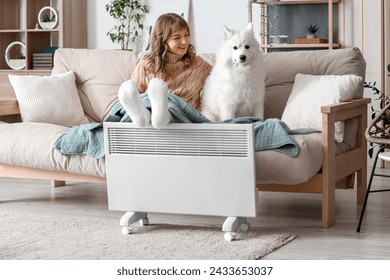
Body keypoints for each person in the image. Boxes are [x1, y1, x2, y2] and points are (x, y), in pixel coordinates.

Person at [118, 13, 212, 128]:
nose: (184, 41)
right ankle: (142, 118)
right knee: (145, 101)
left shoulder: (198, 64)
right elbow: (137, 94)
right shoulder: (146, 65)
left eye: (186, 35)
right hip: (150, 124)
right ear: (163, 40)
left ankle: (161, 116)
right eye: (177, 37)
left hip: (183, 122)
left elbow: (220, 83)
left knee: (171, 108)